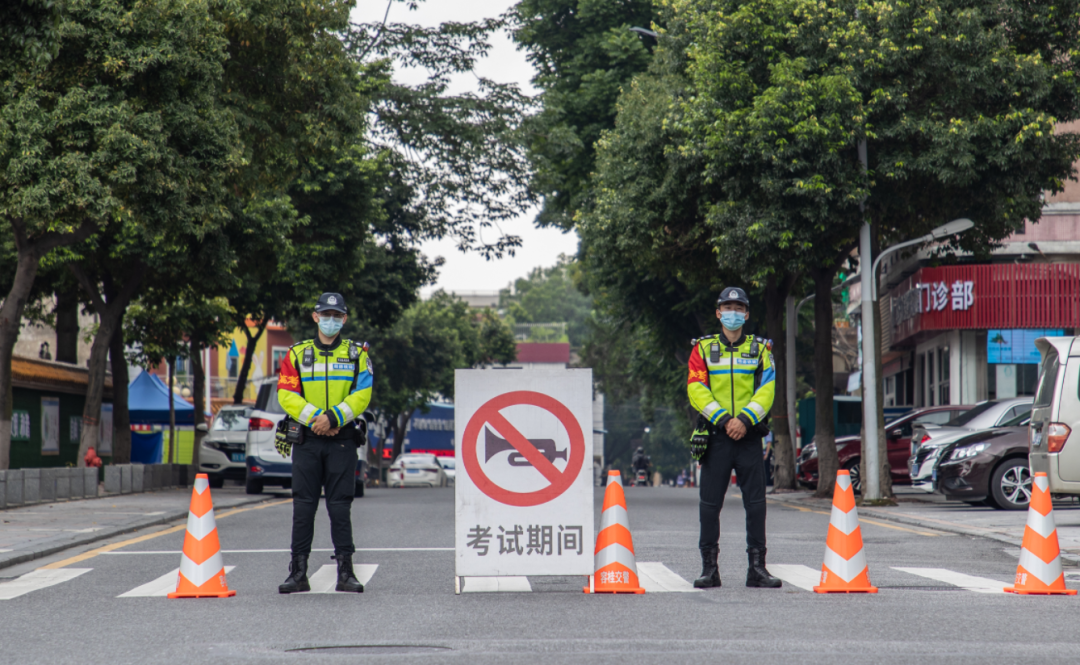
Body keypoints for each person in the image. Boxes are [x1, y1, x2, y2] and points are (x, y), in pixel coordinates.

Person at [276, 292, 373, 594]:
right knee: (303, 506)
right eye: (325, 315)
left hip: (342, 440)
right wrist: (318, 418)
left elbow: (363, 394)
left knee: (340, 506)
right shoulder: (295, 354)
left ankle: (346, 572)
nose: (331, 320)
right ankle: (298, 572)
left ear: (344, 319)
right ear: (315, 316)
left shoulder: (358, 354)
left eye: (337, 315)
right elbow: (286, 394)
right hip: (307, 439)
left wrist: (334, 418)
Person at [686, 286, 781, 589]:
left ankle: (757, 569)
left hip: (750, 437)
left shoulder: (761, 350)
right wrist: (726, 420)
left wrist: (745, 420)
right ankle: (709, 569)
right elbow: (696, 389)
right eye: (727, 307)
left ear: (747, 314)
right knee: (710, 505)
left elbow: (767, 390)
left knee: (756, 504)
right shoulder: (701, 349)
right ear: (718, 313)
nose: (733, 313)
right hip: (716, 437)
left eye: (739, 308)